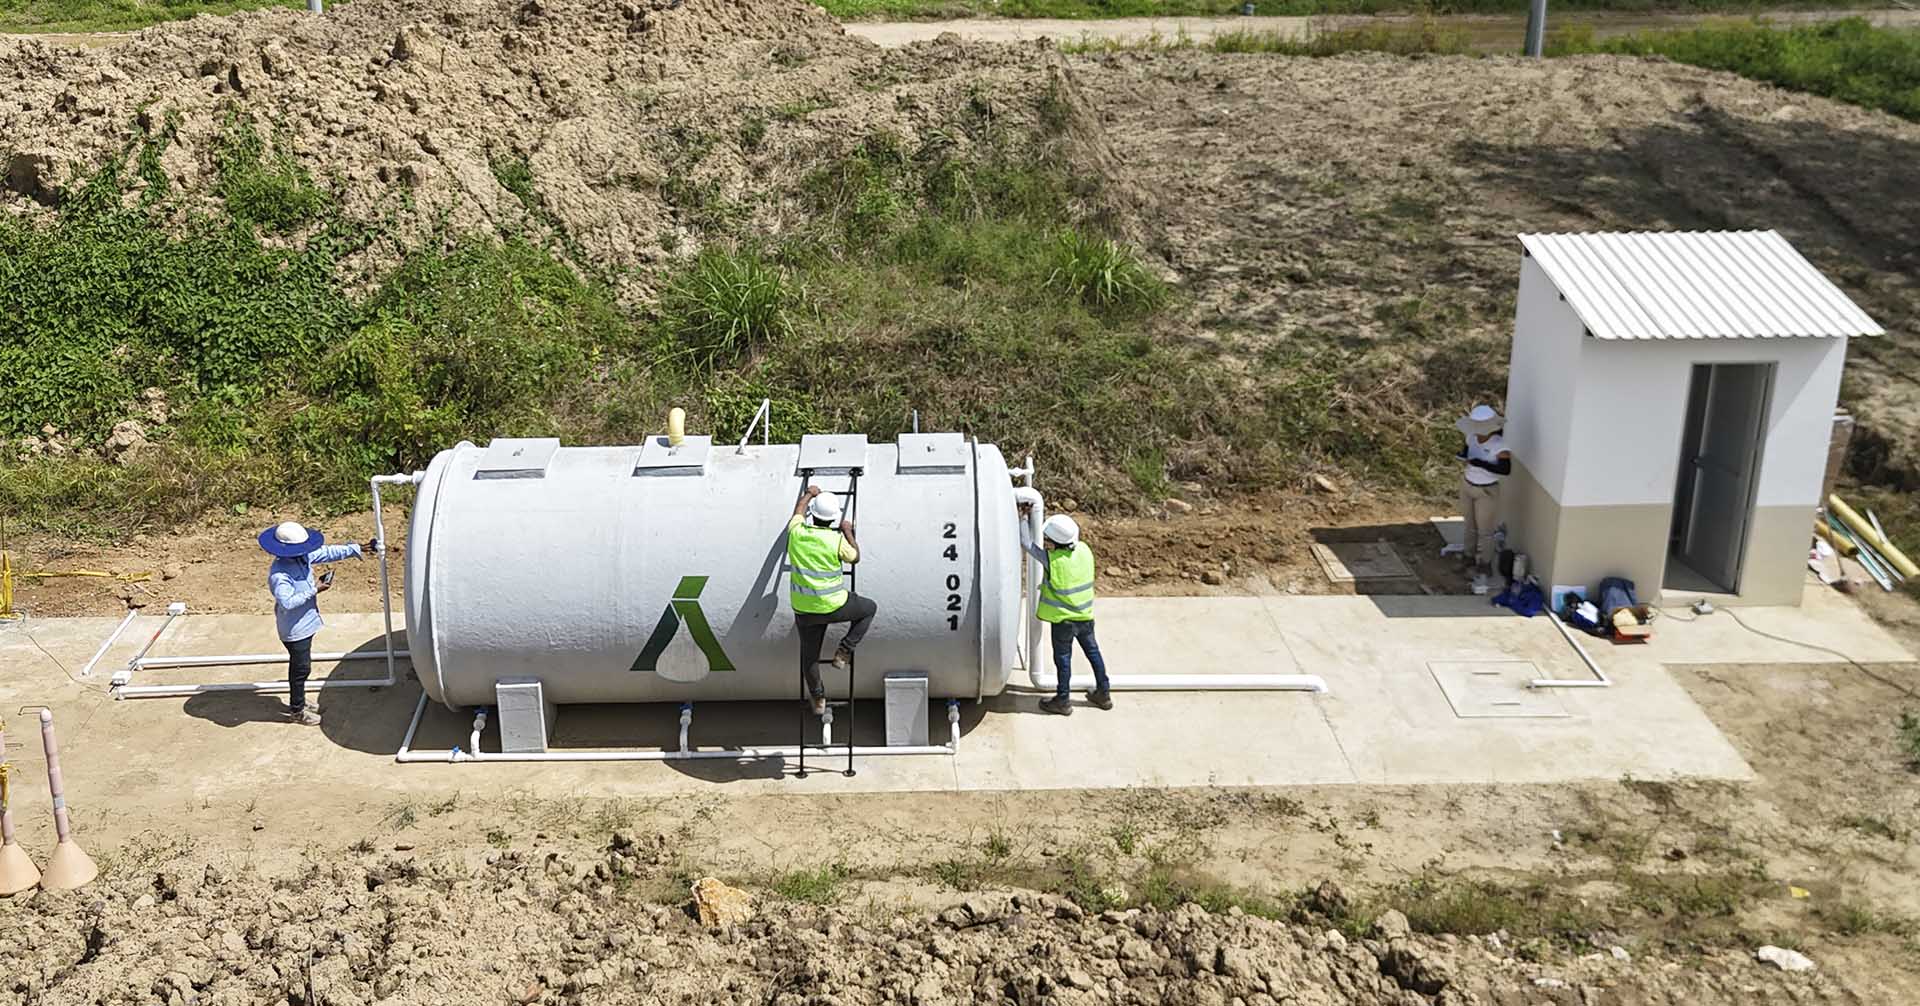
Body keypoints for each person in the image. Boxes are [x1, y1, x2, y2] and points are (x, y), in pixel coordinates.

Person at [259, 522, 374, 726]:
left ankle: (300, 702)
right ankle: (297, 710)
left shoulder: (301, 558)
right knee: (300, 669)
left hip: (305, 623)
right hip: (295, 630)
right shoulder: (280, 574)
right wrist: (316, 589)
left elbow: (327, 552)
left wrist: (358, 548)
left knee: (302, 667)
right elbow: (287, 602)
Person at [787, 485, 877, 716]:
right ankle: (844, 651)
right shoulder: (835, 540)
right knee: (868, 609)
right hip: (835, 605)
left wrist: (809, 494)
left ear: (813, 514)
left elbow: (798, 511)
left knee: (809, 658)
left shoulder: (797, 533)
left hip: (805, 611)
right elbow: (855, 557)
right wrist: (848, 531)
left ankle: (818, 698)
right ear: (833, 519)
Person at [1017, 497, 1110, 716]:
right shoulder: (1085, 551)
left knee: (1063, 660)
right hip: (1085, 617)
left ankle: (1063, 700)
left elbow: (1026, 543)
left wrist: (1022, 517)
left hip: (1064, 622)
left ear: (1052, 540)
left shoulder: (1052, 560)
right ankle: (1104, 693)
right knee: (1094, 653)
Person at [1455, 404, 1512, 592]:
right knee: (1469, 525)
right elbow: (1466, 451)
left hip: (1486, 490)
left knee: (1485, 530)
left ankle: (1484, 564)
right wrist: (1463, 457)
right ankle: (1468, 557)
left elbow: (1505, 469)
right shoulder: (1471, 437)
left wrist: (1480, 463)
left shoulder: (1499, 445)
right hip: (1468, 484)